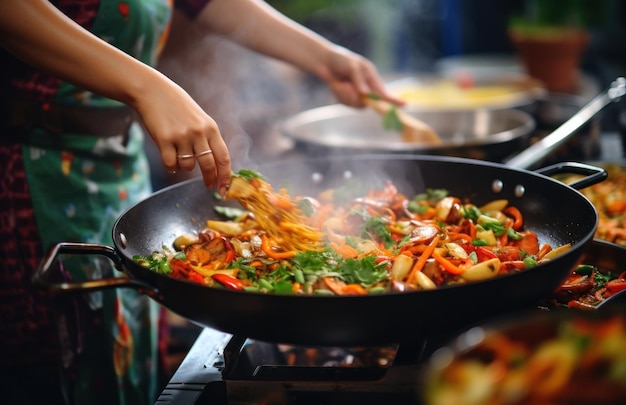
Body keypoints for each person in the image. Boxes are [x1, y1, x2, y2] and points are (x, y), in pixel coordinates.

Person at [0, 0, 402, 404]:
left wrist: (323, 56)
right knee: (53, 362)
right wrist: (148, 86)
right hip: (28, 170)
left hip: (116, 159)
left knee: (121, 337)